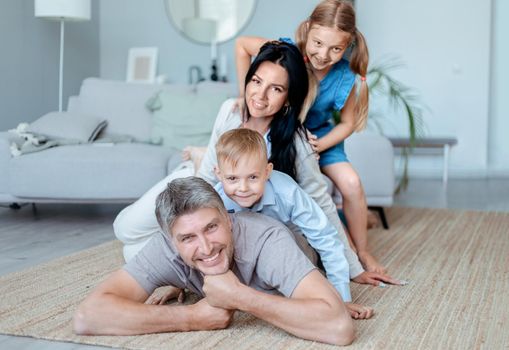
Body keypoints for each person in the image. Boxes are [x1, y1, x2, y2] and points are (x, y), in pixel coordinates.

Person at [114, 40, 397, 288]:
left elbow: (320, 203)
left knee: (134, 253)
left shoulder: (295, 141)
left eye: (275, 89)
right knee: (125, 227)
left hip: (235, 195)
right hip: (205, 180)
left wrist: (353, 267)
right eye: (256, 81)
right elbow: (207, 179)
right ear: (247, 80)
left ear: (288, 99)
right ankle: (196, 158)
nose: (260, 96)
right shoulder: (230, 110)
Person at [73, 177, 355, 346]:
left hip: (302, 247)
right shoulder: (166, 246)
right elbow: (89, 315)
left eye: (212, 227)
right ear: (171, 241)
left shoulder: (268, 239)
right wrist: (191, 317)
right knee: (128, 245)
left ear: (227, 218)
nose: (206, 247)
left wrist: (239, 297)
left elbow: (339, 326)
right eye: (188, 238)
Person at [234, 0, 384, 274]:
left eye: (335, 48)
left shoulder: (345, 75)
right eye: (317, 43)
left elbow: (348, 123)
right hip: (288, 133)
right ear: (307, 29)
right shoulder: (286, 53)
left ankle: (362, 251)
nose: (323, 54)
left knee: (351, 183)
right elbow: (242, 44)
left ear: (348, 45)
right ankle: (339, 225)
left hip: (321, 139)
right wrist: (244, 93)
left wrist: (321, 145)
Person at [213, 128, 373, 318]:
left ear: (267, 171)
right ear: (218, 174)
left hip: (294, 248)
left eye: (253, 177)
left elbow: (326, 238)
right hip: (248, 255)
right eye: (232, 178)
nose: (243, 188)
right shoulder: (216, 200)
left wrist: (341, 297)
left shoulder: (287, 192)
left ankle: (362, 218)